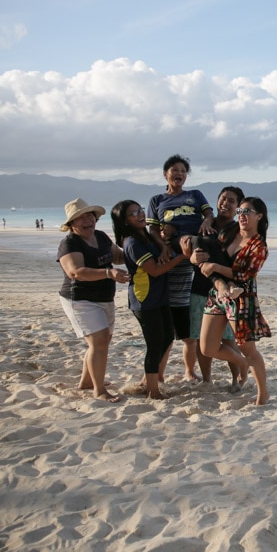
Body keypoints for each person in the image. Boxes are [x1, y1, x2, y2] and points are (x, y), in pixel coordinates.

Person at [146, 154, 216, 382]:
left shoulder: (194, 195)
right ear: (166, 174)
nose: (179, 174)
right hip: (172, 254)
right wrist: (163, 247)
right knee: (169, 320)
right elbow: (154, 230)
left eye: (183, 171)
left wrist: (206, 221)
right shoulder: (157, 200)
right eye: (175, 170)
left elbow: (208, 213)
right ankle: (160, 373)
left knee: (189, 329)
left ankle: (189, 371)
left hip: (193, 252)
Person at [112, 200, 189, 400]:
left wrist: (166, 248)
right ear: (124, 221)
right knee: (155, 343)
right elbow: (154, 270)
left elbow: (161, 255)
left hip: (161, 296)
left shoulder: (145, 235)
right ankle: (153, 391)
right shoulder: (132, 242)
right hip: (144, 298)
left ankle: (148, 382)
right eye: (133, 213)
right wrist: (182, 257)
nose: (140, 214)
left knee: (167, 337)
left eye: (140, 210)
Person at [197, 197, 272, 405]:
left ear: (259, 216)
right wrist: (197, 256)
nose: (242, 215)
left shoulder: (259, 246)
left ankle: (262, 393)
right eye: (240, 211)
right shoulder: (228, 234)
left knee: (249, 350)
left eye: (247, 212)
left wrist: (215, 268)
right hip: (217, 295)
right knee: (207, 348)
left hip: (242, 299)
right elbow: (209, 253)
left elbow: (245, 275)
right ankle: (239, 362)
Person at [57, 198, 130, 402]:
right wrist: (109, 273)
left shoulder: (100, 236)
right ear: (72, 224)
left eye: (89, 215)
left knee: (102, 341)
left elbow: (118, 257)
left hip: (104, 297)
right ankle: (99, 391)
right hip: (80, 299)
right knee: (98, 341)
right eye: (80, 217)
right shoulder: (69, 243)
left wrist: (142, 251)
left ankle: (87, 382)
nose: (87, 220)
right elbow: (75, 272)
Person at [181, 186, 245, 390]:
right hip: (200, 287)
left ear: (238, 208)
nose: (226, 203)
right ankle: (207, 379)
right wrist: (190, 257)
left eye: (232, 201)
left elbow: (239, 266)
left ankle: (237, 378)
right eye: (223, 199)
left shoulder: (238, 231)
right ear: (217, 201)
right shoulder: (202, 225)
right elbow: (190, 254)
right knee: (201, 339)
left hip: (226, 291)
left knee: (227, 339)